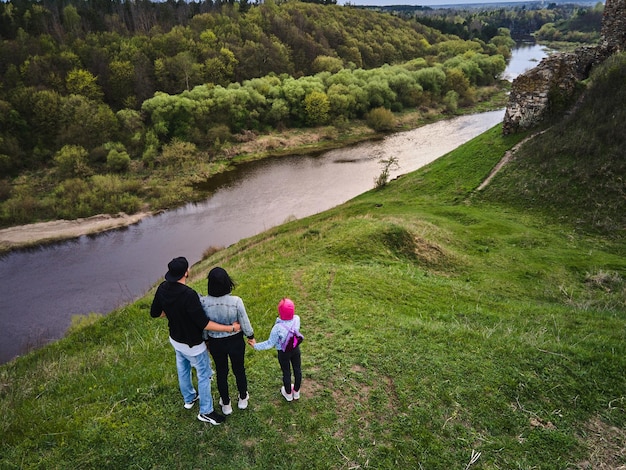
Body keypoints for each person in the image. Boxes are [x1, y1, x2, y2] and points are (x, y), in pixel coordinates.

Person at [150, 257, 241, 425]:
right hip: (193, 344)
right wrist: (232, 328)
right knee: (205, 375)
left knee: (183, 368)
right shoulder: (189, 295)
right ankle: (206, 411)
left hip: (175, 339)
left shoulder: (162, 288)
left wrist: (172, 312)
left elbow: (155, 313)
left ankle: (189, 398)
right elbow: (204, 323)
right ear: (186, 272)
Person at [199, 267, 256, 415]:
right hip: (236, 341)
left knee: (221, 372)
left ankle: (226, 403)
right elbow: (244, 321)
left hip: (216, 343)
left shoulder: (204, 302)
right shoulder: (236, 301)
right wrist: (250, 336)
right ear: (227, 282)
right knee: (239, 369)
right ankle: (243, 397)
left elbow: (204, 324)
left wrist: (206, 340)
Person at [252, 297, 302, 402]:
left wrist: (255, 345)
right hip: (295, 349)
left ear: (280, 313)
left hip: (283, 353)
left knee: (286, 372)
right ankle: (296, 392)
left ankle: (288, 393)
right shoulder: (297, 319)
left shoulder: (277, 327)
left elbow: (270, 343)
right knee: (297, 370)